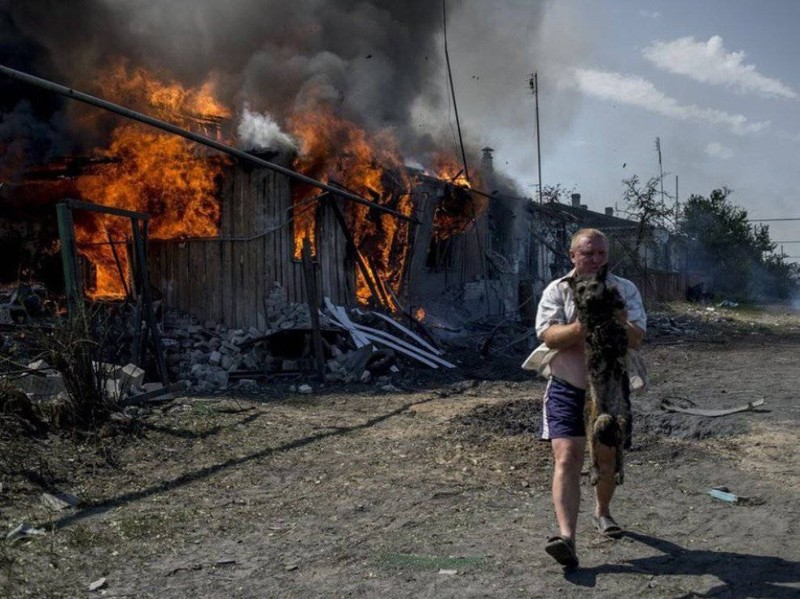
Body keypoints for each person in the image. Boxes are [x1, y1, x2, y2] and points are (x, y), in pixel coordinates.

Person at [522, 228, 646, 569]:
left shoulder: (624, 289)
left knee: (606, 457)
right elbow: (547, 334)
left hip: (609, 387)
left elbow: (637, 338)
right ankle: (567, 539)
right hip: (565, 385)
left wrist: (618, 319)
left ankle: (603, 511)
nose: (594, 260)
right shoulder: (557, 289)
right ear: (572, 255)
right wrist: (583, 325)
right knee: (568, 457)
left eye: (601, 254)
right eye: (588, 253)